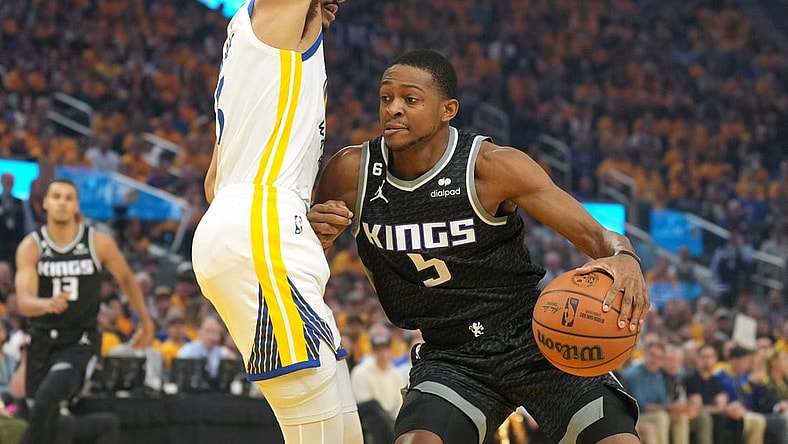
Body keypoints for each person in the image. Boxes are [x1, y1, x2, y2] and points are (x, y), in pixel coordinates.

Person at [308, 49, 650, 444]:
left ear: (447, 109)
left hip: (536, 339)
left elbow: (597, 236)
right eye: (387, 98)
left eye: (410, 99)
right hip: (451, 353)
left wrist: (624, 257)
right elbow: (305, 262)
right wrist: (314, 238)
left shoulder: (492, 167)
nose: (394, 109)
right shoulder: (351, 173)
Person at [190, 1, 363, 443]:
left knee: (343, 432)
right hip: (260, 229)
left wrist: (296, 216)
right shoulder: (270, 24)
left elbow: (215, 183)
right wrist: (276, 217)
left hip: (258, 222)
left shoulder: (261, 58)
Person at [13, 178, 154, 444]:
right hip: (42, 341)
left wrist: (145, 321)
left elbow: (126, 278)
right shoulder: (31, 247)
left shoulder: (97, 242)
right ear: (45, 203)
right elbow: (24, 301)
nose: (62, 202)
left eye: (68, 197)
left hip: (79, 341)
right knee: (45, 417)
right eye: (56, 196)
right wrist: (46, 304)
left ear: (76, 204)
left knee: (47, 398)